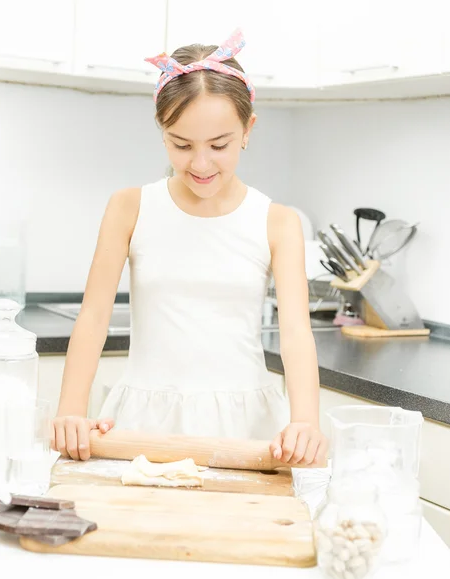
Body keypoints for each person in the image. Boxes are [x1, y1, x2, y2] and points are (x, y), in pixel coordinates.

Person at [51, 29, 328, 467]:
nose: (200, 164)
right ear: (163, 132)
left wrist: (306, 421)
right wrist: (70, 410)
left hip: (248, 429)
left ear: (247, 130)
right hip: (144, 422)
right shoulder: (130, 208)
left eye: (219, 145)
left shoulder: (277, 221)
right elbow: (93, 316)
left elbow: (296, 334)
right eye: (181, 145)